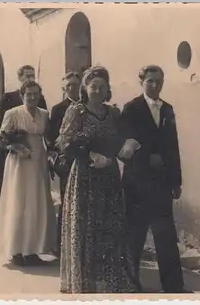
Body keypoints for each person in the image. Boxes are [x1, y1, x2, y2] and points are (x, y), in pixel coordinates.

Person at [57, 66, 142, 293]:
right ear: (85, 88)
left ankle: (111, 281)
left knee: (110, 227)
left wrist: (124, 147)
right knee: (86, 227)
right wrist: (89, 155)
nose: (97, 90)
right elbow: (65, 143)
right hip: (85, 176)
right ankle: (85, 282)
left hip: (109, 177)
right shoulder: (77, 111)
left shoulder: (113, 113)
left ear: (108, 89)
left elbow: (123, 137)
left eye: (102, 87)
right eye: (93, 86)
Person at [120, 65, 189, 293]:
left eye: (159, 81)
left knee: (166, 236)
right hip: (137, 183)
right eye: (150, 81)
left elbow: (174, 145)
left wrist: (176, 180)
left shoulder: (167, 109)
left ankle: (174, 287)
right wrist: (148, 157)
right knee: (135, 236)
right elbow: (125, 142)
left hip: (161, 184)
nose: (155, 85)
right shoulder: (131, 108)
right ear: (142, 82)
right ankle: (130, 285)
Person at [0, 81, 57, 266]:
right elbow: (0, 141)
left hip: (38, 162)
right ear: (22, 95)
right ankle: (16, 249)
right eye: (29, 94)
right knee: (18, 203)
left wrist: (50, 154)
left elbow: (48, 139)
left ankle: (33, 249)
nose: (33, 97)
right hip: (19, 164)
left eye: (36, 94)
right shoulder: (12, 114)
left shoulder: (44, 114)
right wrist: (17, 147)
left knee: (36, 204)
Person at [47, 71, 81, 257]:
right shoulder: (58, 109)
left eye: (75, 84)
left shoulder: (86, 105)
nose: (72, 88)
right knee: (66, 201)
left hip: (85, 161)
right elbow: (52, 138)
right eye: (68, 85)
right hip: (67, 162)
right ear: (64, 88)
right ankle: (62, 247)